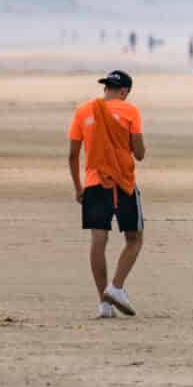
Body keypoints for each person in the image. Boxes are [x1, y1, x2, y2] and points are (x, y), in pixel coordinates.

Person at [68, 70, 147, 320]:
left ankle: (104, 304)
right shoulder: (131, 111)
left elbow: (72, 155)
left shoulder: (83, 111)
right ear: (124, 91)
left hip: (93, 184)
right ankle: (116, 287)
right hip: (123, 184)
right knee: (134, 239)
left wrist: (78, 187)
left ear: (106, 88)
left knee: (98, 242)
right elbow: (140, 153)